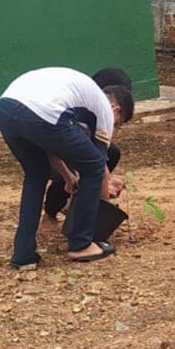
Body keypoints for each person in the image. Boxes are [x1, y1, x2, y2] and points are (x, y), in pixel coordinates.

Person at [0, 67, 134, 267]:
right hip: (39, 111)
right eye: (119, 123)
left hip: (6, 108)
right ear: (117, 110)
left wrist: (69, 177)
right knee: (94, 166)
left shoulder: (77, 103)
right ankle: (81, 244)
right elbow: (99, 168)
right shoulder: (104, 109)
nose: (115, 127)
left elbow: (49, 146)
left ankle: (23, 255)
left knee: (36, 175)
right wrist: (101, 215)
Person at [39, 68, 132, 238]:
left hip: (66, 143)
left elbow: (100, 154)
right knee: (71, 172)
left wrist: (106, 180)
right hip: (48, 147)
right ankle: (52, 212)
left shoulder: (97, 114)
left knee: (111, 152)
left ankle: (81, 206)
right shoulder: (78, 106)